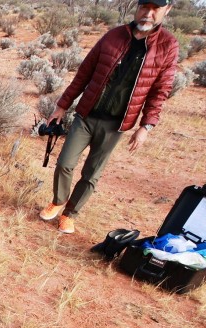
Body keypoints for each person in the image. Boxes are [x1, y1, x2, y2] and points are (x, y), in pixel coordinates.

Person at [40, 0, 178, 235]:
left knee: (92, 173)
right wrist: (62, 106)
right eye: (145, 7)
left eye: (156, 9)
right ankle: (58, 200)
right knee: (65, 163)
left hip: (117, 124)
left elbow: (160, 90)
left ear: (167, 10)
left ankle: (70, 215)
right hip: (86, 115)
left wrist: (146, 126)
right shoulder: (114, 36)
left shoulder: (167, 45)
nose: (149, 13)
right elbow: (84, 73)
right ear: (137, 8)